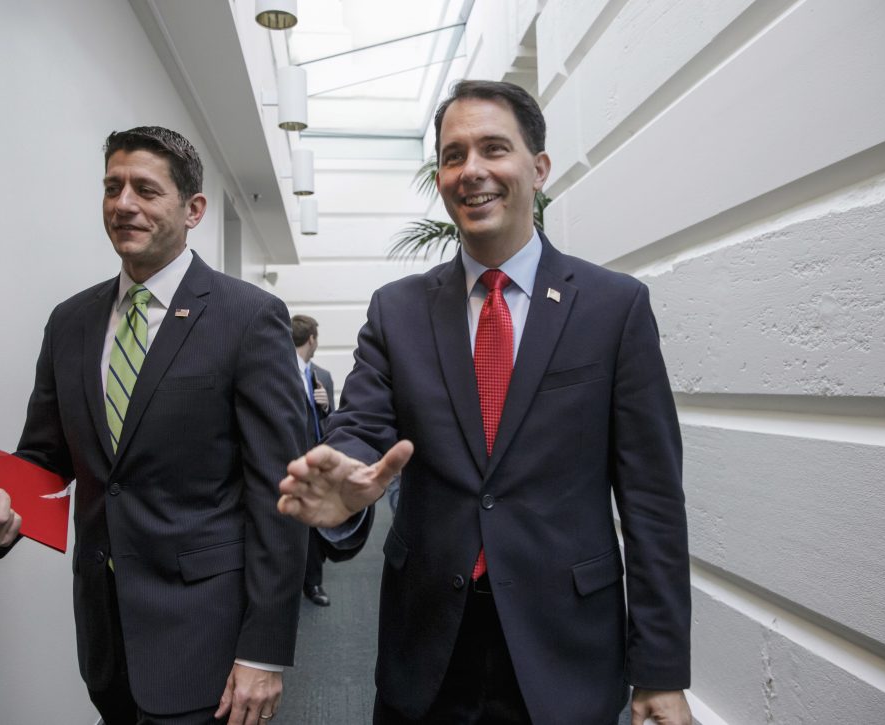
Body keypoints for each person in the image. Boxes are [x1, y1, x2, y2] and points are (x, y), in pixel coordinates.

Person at [279, 80, 692, 725]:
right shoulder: (398, 310)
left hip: (565, 648)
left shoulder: (614, 309)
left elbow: (653, 500)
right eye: (452, 155)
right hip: (427, 646)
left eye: (494, 149)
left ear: (539, 168)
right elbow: (362, 426)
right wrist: (347, 474)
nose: (471, 171)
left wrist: (661, 671)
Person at [0, 126, 308, 725]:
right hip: (106, 630)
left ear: (192, 210)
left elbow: (278, 495)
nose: (123, 204)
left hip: (206, 632)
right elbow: (46, 463)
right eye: (112, 187)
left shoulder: (248, 317)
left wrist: (264, 649)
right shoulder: (71, 322)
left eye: (144, 189)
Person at [291, 314, 335, 606]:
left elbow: (331, 421)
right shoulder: (279, 371)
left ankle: (313, 583)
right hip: (289, 461)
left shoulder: (323, 376)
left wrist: (327, 405)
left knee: (315, 525)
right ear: (312, 339)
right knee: (287, 524)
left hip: (317, 461)